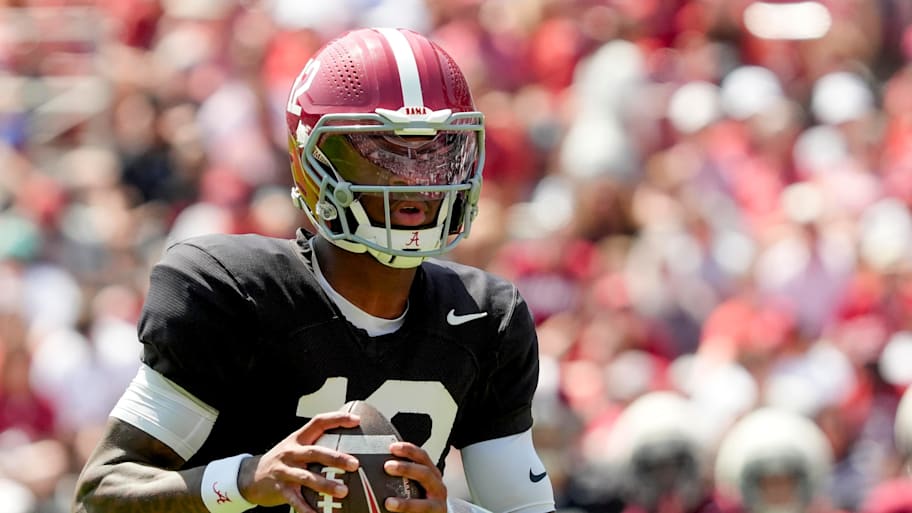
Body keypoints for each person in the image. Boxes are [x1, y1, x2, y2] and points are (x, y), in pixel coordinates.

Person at [72, 27, 556, 513]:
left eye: (435, 153)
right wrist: (244, 481)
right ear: (315, 162)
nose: (414, 180)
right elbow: (102, 494)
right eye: (380, 154)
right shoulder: (234, 292)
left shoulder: (485, 318)